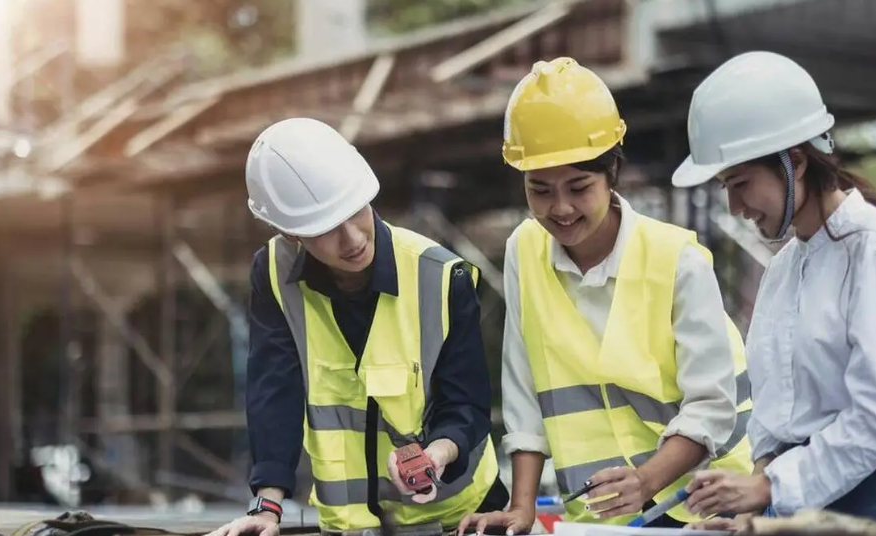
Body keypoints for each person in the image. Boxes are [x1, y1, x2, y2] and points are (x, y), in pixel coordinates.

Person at [457, 57, 754, 534]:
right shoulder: (523, 249)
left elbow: (712, 405)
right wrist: (522, 508)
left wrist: (646, 480)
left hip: (706, 503)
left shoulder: (677, 259)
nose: (561, 208)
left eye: (579, 187)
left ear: (612, 170)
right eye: (540, 190)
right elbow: (523, 390)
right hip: (601, 516)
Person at [205, 118, 507, 536]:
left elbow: (468, 403)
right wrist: (266, 507)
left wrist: (436, 453)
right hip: (349, 527)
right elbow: (275, 393)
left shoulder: (440, 276)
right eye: (325, 229)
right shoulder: (274, 275)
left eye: (354, 211)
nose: (351, 239)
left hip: (456, 519)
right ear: (289, 232)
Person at [673, 51, 876, 526]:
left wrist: (769, 488)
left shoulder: (868, 250)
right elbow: (774, 418)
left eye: (740, 182)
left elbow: (872, 419)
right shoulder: (784, 267)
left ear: (796, 162)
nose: (735, 206)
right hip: (802, 510)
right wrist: (754, 503)